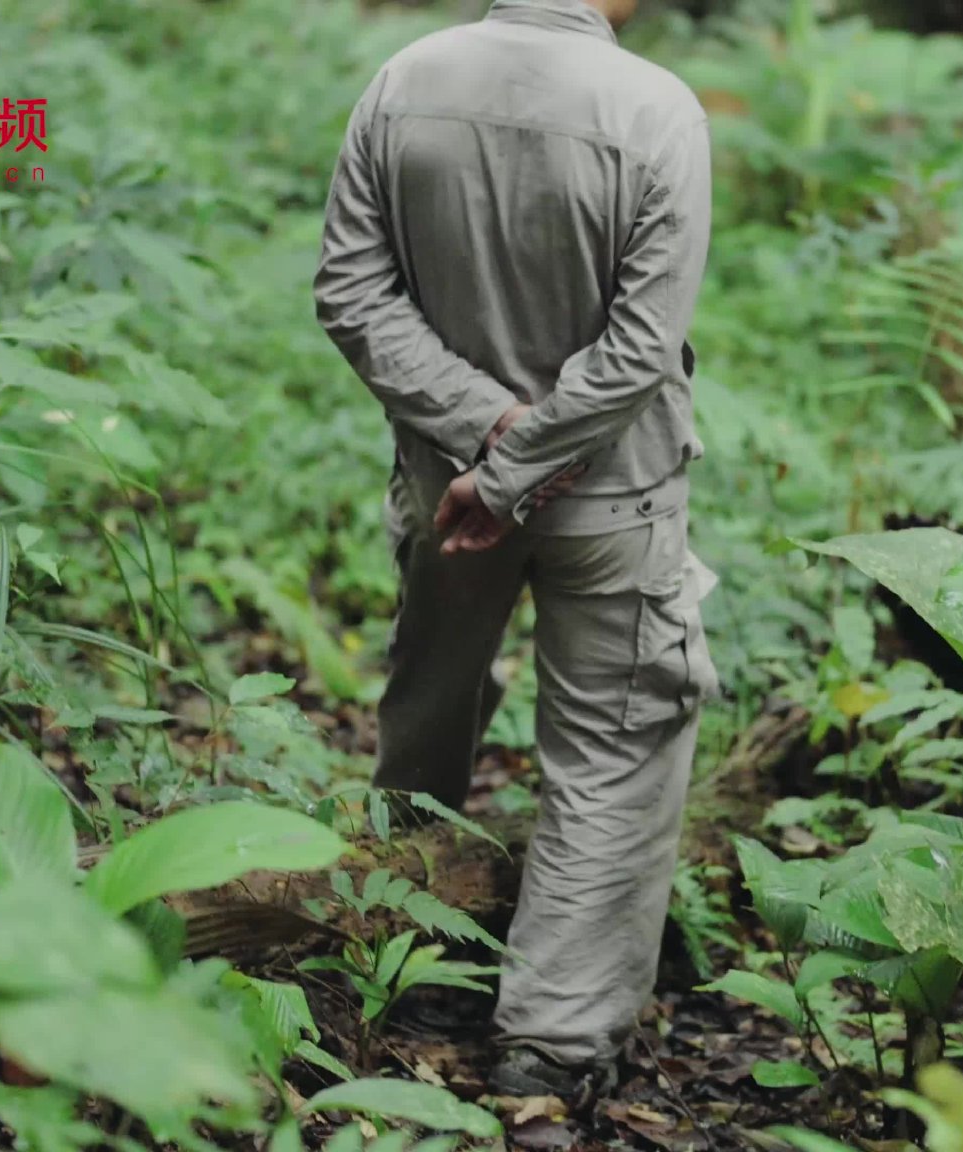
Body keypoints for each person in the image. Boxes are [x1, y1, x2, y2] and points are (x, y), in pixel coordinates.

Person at [313, 0, 718, 1107]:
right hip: (611, 497)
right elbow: (640, 344)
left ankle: (399, 957)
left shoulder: (403, 82)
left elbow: (349, 292)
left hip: (447, 489)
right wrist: (523, 457)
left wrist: (479, 433)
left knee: (428, 708)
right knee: (613, 748)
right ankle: (550, 1047)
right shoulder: (656, 111)